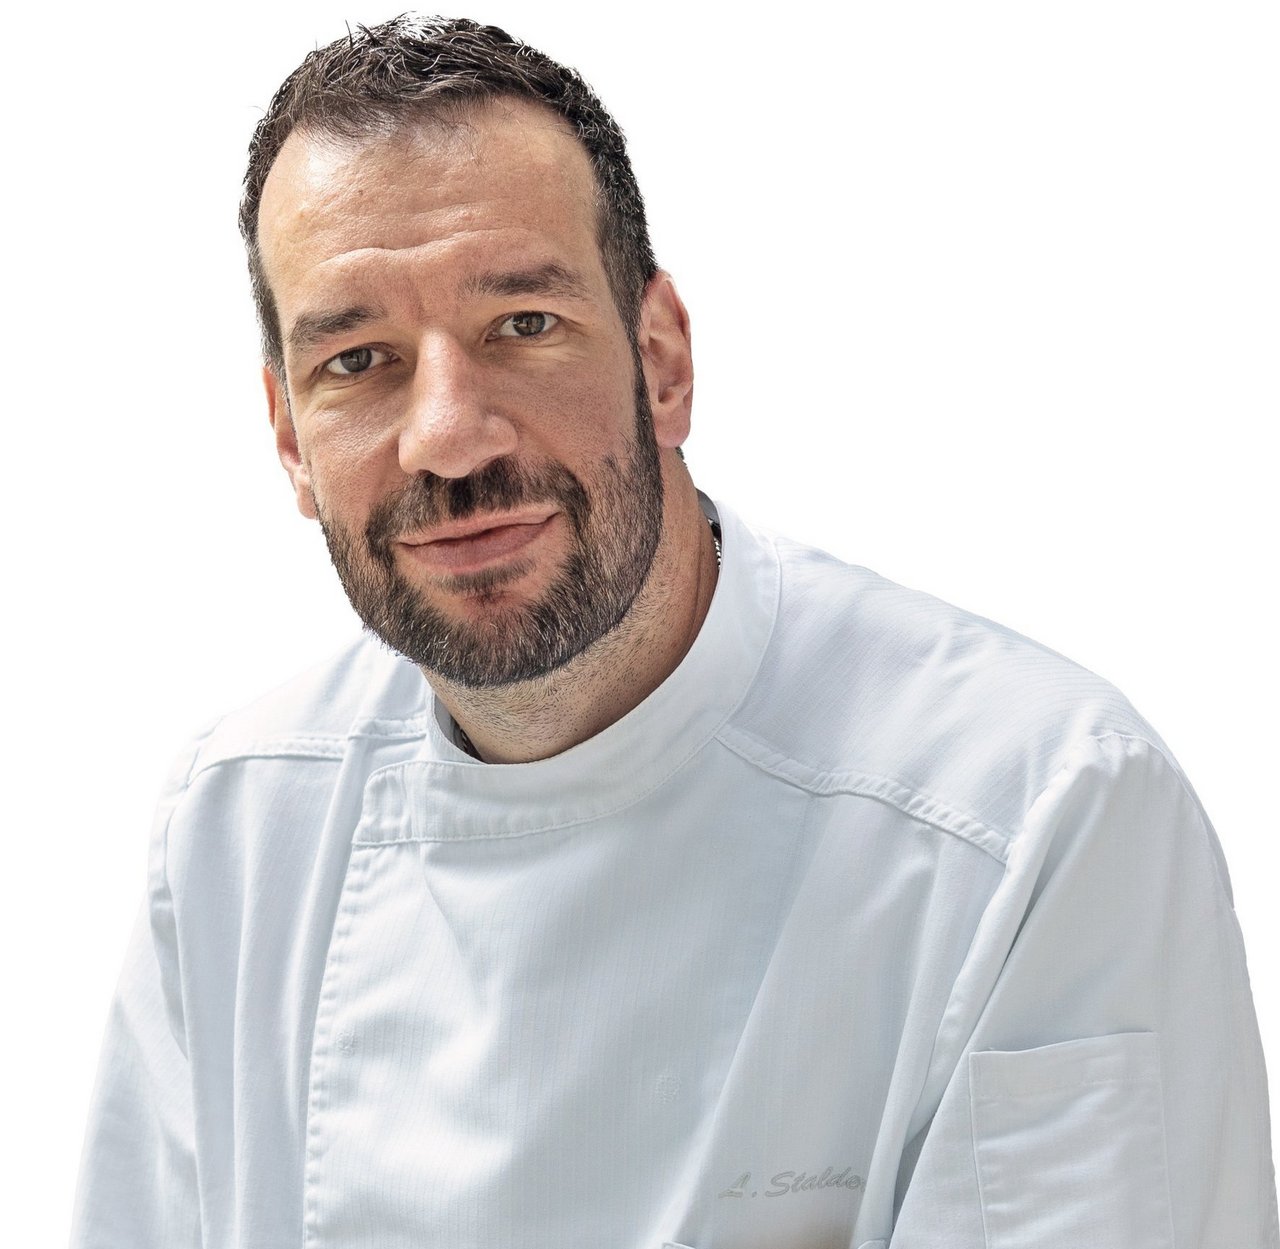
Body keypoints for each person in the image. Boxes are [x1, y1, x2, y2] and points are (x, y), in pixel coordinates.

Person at [70, 14, 1278, 1248]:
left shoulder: (1034, 817)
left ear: (660, 362)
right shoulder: (235, 837)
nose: (447, 437)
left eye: (520, 325)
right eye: (359, 359)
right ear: (289, 439)